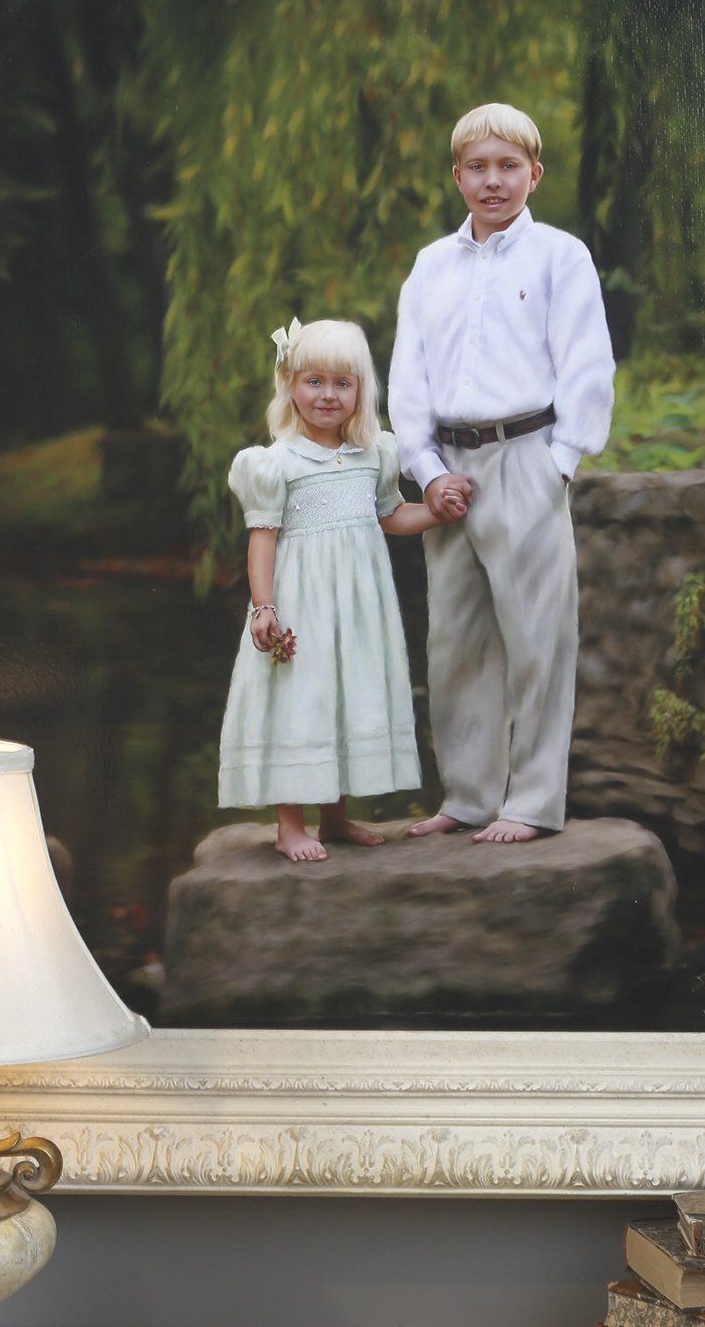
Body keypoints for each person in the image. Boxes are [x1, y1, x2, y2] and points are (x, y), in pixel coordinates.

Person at [388, 102, 615, 843]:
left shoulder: (559, 256)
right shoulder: (431, 266)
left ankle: (534, 800)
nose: (493, 181)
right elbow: (409, 374)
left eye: (508, 167)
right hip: (449, 466)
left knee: (536, 634)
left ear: (534, 174)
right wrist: (423, 468)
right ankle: (469, 792)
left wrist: (560, 463)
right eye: (478, 167)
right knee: (454, 639)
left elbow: (586, 362)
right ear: (457, 176)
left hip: (526, 456)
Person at [219, 317, 454, 863]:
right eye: (314, 381)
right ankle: (288, 825)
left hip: (358, 605)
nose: (327, 395)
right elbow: (262, 540)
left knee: (347, 691)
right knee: (299, 700)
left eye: (342, 384)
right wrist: (264, 607)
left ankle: (335, 815)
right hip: (301, 599)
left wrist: (436, 512)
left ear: (361, 392)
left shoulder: (375, 455)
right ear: (291, 385)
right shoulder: (275, 464)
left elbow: (392, 517)